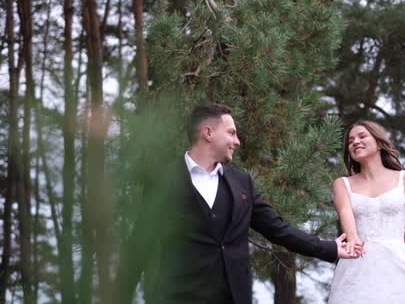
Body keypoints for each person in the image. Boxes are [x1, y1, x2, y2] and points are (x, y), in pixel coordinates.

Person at [116, 103, 359, 304]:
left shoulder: (242, 183)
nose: (238, 141)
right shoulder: (162, 180)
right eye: (231, 133)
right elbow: (140, 244)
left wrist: (327, 248)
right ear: (208, 133)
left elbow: (278, 229)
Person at [328, 120, 405, 304]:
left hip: (399, 263)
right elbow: (345, 213)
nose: (355, 142)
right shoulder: (342, 184)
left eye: (362, 136)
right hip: (358, 265)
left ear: (379, 142)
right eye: (350, 141)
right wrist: (353, 238)